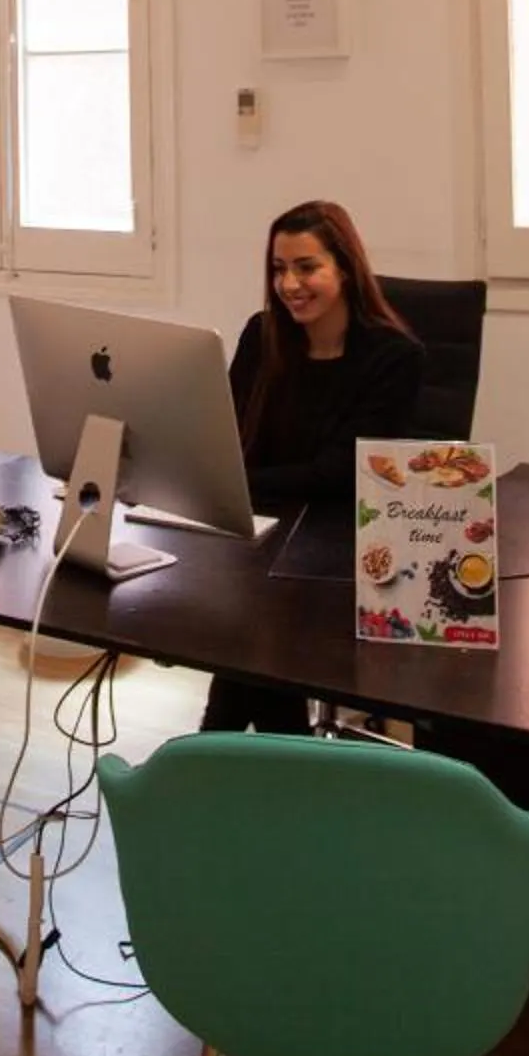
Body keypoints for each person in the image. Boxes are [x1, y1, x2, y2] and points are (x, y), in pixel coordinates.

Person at [201, 198, 425, 733]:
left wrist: (237, 483)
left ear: (344, 269)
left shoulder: (393, 357)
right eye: (279, 269)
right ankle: (272, 758)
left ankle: (214, 759)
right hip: (262, 538)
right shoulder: (264, 336)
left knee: (251, 637)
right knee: (251, 633)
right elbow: (228, 437)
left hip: (345, 547)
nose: (289, 284)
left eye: (307, 267)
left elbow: (341, 473)